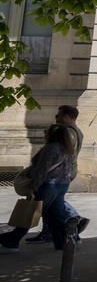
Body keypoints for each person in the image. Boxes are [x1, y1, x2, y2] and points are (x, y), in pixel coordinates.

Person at [0, 124, 78, 250]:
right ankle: (63, 241)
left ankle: (12, 240)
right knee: (53, 214)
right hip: (62, 184)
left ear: (52, 135)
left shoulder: (51, 148)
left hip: (48, 185)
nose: (45, 134)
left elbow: (42, 169)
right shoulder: (67, 148)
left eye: (47, 132)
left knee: (31, 212)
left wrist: (33, 187)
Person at [27, 105, 87, 245]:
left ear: (66, 117)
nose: (56, 118)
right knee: (53, 203)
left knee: (50, 203)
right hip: (64, 172)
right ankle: (58, 232)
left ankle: (73, 219)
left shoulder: (68, 133)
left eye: (58, 115)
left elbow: (62, 155)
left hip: (60, 173)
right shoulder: (77, 131)